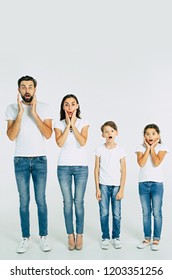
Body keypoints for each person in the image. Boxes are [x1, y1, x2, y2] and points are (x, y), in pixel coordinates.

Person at [6, 75, 53, 253]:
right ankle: (25, 237)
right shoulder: (11, 108)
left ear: (35, 89)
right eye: (23, 87)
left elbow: (48, 134)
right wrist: (20, 113)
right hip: (20, 160)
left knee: (41, 200)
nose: (27, 90)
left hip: (40, 159)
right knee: (24, 201)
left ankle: (43, 237)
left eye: (30, 87)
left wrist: (33, 113)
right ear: (19, 90)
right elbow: (11, 136)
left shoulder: (44, 107)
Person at [54, 94, 89, 250]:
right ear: (63, 107)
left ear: (77, 106)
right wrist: (67, 125)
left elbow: (82, 142)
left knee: (79, 202)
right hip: (63, 167)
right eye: (66, 104)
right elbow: (60, 143)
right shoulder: (58, 123)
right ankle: (70, 234)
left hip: (81, 167)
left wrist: (74, 124)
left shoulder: (84, 123)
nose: (69, 107)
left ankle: (80, 234)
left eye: (72, 104)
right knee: (67, 202)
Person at [94, 121, 126, 250]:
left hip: (117, 186)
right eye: (106, 131)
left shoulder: (121, 150)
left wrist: (122, 189)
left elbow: (124, 170)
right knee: (104, 213)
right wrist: (97, 188)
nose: (109, 133)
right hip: (103, 185)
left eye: (112, 131)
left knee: (117, 213)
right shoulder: (99, 150)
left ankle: (116, 236)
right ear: (103, 135)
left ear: (116, 133)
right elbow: (96, 170)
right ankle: (105, 237)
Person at [136, 124, 168, 251]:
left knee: (157, 212)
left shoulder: (162, 147)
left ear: (158, 135)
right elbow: (141, 163)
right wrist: (147, 149)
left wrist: (153, 148)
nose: (150, 136)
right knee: (146, 213)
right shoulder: (139, 147)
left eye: (153, 133)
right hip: (143, 184)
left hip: (157, 184)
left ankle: (156, 239)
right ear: (144, 136)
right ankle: (147, 238)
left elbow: (156, 162)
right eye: (148, 134)